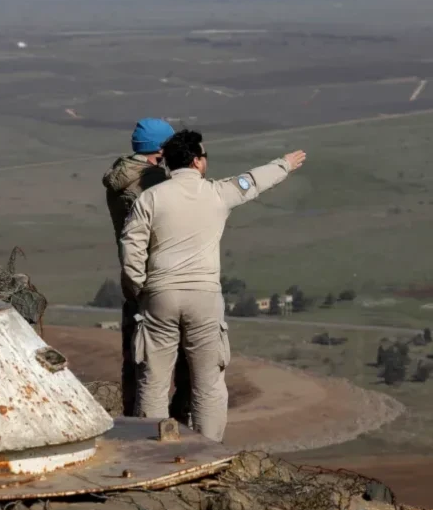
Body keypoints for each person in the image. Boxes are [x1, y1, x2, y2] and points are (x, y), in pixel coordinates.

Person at [121, 129, 306, 441]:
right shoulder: (217, 193)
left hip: (160, 295)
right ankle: (207, 449)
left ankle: (150, 449)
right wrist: (283, 164)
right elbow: (252, 182)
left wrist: (139, 288)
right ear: (197, 162)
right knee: (207, 383)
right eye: (204, 156)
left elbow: (131, 247)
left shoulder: (150, 198)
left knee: (153, 381)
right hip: (204, 298)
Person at [102, 117, 191, 423]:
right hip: (160, 283)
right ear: (160, 152)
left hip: (134, 283)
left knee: (136, 363)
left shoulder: (121, 176)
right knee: (173, 366)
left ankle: (133, 427)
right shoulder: (151, 184)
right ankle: (173, 432)